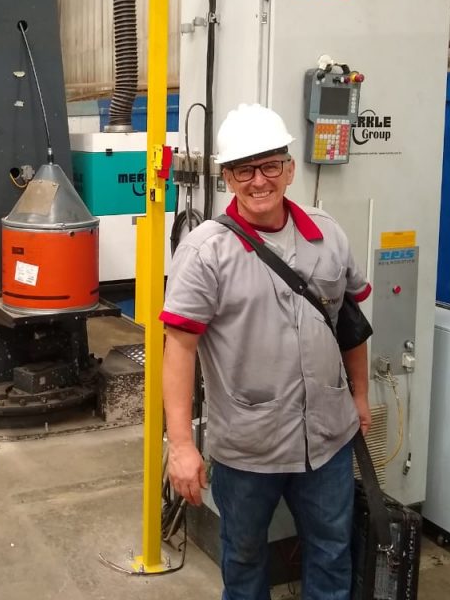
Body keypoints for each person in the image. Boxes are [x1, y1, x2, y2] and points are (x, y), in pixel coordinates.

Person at [161, 103, 372, 600]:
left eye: (270, 166)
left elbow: (351, 325)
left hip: (328, 439)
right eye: (244, 170)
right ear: (227, 179)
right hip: (248, 448)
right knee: (244, 558)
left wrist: (360, 397)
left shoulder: (327, 234)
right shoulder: (206, 251)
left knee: (332, 552)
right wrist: (182, 446)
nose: (259, 181)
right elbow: (179, 351)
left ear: (290, 169)